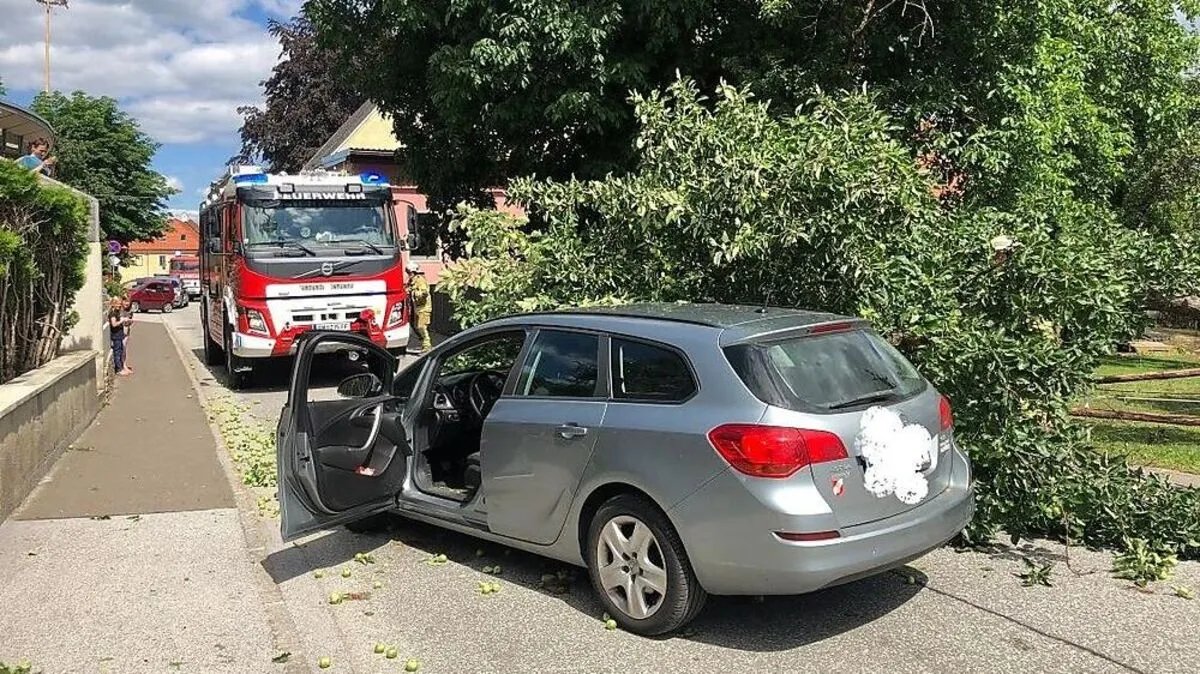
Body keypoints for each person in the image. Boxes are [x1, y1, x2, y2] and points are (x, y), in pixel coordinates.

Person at [406, 261, 432, 353]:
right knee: (415, 326)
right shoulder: (412, 280)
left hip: (423, 308)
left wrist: (414, 292)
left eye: (408, 272)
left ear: (412, 272)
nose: (408, 274)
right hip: (415, 308)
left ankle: (427, 345)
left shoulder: (420, 280)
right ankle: (423, 343)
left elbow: (424, 293)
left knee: (421, 327)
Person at [108, 298, 133, 376]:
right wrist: (121, 321)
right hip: (116, 336)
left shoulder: (116, 312)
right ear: (113, 304)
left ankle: (122, 368)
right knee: (117, 352)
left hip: (119, 335)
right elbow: (114, 324)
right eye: (117, 304)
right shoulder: (112, 313)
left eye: (119, 304)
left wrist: (126, 321)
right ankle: (118, 369)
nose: (119, 305)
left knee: (120, 351)